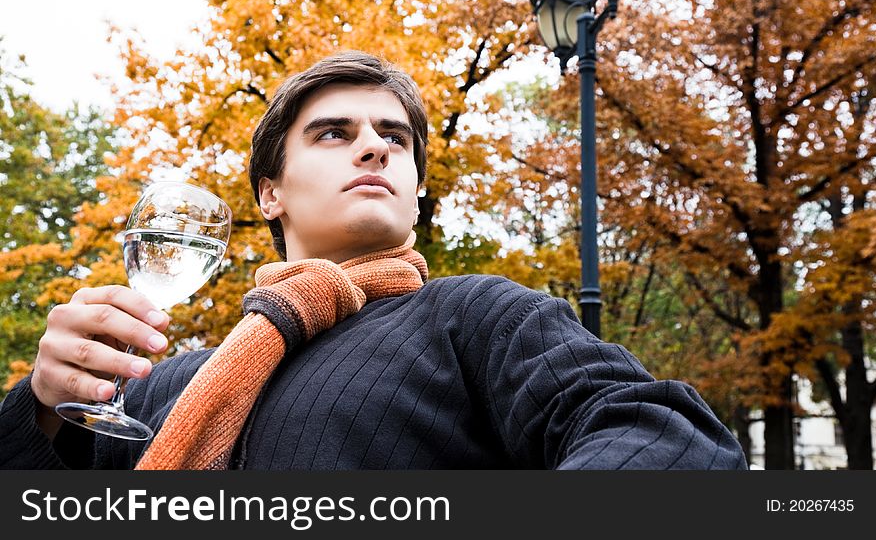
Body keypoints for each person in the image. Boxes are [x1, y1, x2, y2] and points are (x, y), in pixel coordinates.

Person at [0, 51, 747, 470]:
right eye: (332, 133)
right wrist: (37, 406)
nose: (374, 145)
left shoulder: (479, 315)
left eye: (395, 137)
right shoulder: (164, 380)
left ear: (418, 190)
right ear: (269, 193)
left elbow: (662, 436)